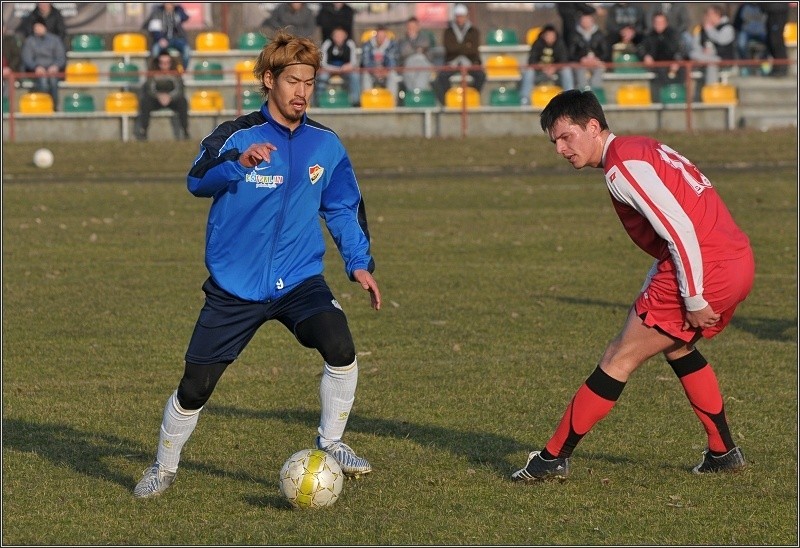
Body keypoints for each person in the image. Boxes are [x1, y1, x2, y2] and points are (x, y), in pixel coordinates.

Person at [133, 30, 382, 499]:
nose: (302, 92)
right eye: (293, 81)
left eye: (309, 82)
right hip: (235, 284)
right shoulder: (237, 135)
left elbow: (343, 206)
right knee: (195, 386)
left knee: (340, 346)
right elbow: (196, 179)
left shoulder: (325, 144)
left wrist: (359, 263)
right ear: (270, 80)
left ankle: (331, 442)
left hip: (298, 278)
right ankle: (163, 467)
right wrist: (237, 164)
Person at [512, 88, 754, 483]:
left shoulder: (620, 166)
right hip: (735, 258)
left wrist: (693, 296)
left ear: (593, 127)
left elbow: (680, 231)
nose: (559, 149)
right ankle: (723, 452)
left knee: (618, 358)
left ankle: (552, 459)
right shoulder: (640, 147)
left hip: (707, 266)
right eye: (553, 141)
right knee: (677, 346)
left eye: (565, 136)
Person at [432, 3, 486, 105]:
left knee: (481, 76)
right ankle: (448, 99)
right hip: (452, 62)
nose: (460, 19)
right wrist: (465, 46)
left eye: (462, 16)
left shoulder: (473, 31)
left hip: (471, 62)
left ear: (466, 16)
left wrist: (458, 47)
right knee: (441, 77)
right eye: (458, 16)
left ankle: (472, 96)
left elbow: (473, 50)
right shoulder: (448, 31)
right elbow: (449, 48)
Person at [133, 51, 189, 141]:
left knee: (183, 102)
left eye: (167, 63)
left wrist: (170, 97)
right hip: (156, 99)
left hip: (172, 99)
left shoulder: (176, 74)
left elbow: (179, 89)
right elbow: (149, 88)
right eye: (162, 63)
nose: (164, 65)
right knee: (145, 102)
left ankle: (185, 131)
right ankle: (143, 131)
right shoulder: (152, 73)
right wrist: (159, 96)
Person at [519, 24, 574, 106]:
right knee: (529, 71)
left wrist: (554, 68)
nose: (550, 38)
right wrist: (543, 68)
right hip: (540, 73)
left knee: (566, 70)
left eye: (552, 36)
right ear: (544, 35)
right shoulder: (537, 43)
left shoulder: (560, 44)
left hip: (556, 74)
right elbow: (532, 60)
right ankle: (525, 99)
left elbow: (564, 60)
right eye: (548, 35)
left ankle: (571, 98)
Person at [638, 12, 687, 99]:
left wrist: (677, 61)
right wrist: (646, 56)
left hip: (673, 63)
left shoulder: (674, 34)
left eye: (661, 22)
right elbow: (641, 49)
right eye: (656, 22)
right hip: (656, 65)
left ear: (666, 23)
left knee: (682, 72)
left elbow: (681, 49)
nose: (659, 25)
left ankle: (679, 97)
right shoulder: (649, 35)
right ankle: (663, 97)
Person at [20, 19, 65, 109]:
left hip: (52, 69)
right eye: (35, 28)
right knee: (43, 81)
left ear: (45, 27)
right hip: (36, 70)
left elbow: (61, 57)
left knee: (53, 80)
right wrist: (36, 67)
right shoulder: (30, 41)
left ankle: (54, 107)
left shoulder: (55, 40)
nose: (38, 29)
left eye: (40, 27)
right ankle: (44, 106)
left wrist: (55, 66)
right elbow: (27, 58)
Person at [688, 5, 736, 86]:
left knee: (711, 63)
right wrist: (702, 51)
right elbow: (696, 45)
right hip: (706, 57)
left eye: (710, 15)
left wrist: (710, 29)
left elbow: (721, 41)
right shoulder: (702, 29)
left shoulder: (727, 28)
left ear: (717, 15)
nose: (707, 17)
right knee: (693, 54)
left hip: (723, 59)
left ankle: (710, 88)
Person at [317, 26, 361, 107]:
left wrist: (347, 67)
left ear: (345, 36)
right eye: (336, 36)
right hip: (329, 69)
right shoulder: (327, 43)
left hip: (346, 70)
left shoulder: (350, 44)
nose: (338, 38)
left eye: (341, 35)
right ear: (333, 36)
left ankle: (355, 102)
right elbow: (323, 63)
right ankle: (318, 101)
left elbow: (354, 62)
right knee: (322, 77)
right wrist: (335, 69)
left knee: (355, 76)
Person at [143, 3, 191, 71]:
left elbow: (185, 17)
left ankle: (183, 71)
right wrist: (160, 39)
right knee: (155, 50)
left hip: (177, 39)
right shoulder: (157, 12)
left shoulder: (178, 11)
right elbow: (154, 29)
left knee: (187, 50)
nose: (169, 5)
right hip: (163, 39)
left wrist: (178, 9)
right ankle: (154, 71)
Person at [567, 12, 608, 91]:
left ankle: (596, 94)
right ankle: (583, 94)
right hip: (580, 63)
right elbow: (571, 53)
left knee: (599, 71)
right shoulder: (574, 35)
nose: (585, 23)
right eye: (583, 21)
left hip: (597, 62)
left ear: (592, 21)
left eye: (588, 21)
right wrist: (581, 59)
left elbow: (605, 52)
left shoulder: (600, 34)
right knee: (580, 72)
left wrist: (596, 59)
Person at [360, 24, 401, 102]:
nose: (381, 39)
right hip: (372, 72)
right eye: (379, 37)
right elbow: (365, 62)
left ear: (386, 36)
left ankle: (392, 102)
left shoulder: (392, 45)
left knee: (393, 75)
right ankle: (367, 102)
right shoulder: (367, 45)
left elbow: (393, 61)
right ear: (376, 36)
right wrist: (374, 70)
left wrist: (386, 70)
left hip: (386, 72)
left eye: (383, 37)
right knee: (365, 75)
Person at [397, 16, 436, 94]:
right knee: (412, 64)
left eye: (413, 27)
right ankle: (416, 93)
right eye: (409, 27)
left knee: (420, 61)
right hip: (408, 64)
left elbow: (428, 53)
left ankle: (418, 92)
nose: (411, 29)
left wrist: (414, 50)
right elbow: (403, 52)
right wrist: (418, 49)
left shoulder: (425, 38)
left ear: (418, 27)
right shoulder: (402, 41)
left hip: (423, 63)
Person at [733, 2, 769, 72]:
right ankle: (746, 64)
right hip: (746, 32)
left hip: (761, 32)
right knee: (741, 44)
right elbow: (736, 23)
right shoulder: (743, 7)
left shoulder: (765, 6)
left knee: (771, 42)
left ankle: (763, 63)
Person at [761, 3, 791, 77]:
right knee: (771, 40)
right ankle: (777, 67)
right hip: (770, 10)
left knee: (776, 40)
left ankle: (782, 67)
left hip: (777, 10)